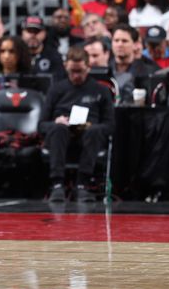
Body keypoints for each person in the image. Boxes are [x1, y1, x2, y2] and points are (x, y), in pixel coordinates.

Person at [41, 46, 116, 203]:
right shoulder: (56, 89)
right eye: (72, 71)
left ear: (88, 68)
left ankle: (83, 184)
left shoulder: (101, 90)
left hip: (89, 134)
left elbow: (110, 126)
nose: (76, 76)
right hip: (62, 133)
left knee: (94, 131)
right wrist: (56, 122)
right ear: (66, 67)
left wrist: (90, 126)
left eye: (80, 71)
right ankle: (57, 184)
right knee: (58, 129)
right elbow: (41, 125)